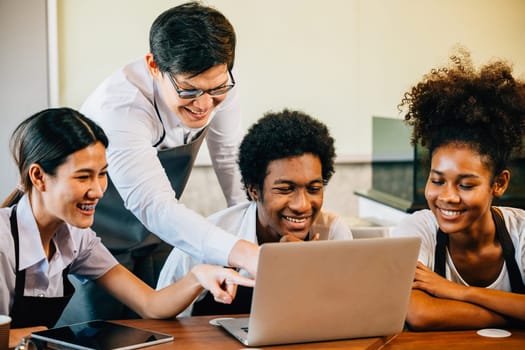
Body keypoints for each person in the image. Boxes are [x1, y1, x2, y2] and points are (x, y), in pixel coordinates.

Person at [60, 2, 259, 322]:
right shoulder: (121, 106)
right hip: (95, 242)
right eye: (189, 90)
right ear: (154, 66)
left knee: (163, 329)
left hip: (157, 237)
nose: (205, 104)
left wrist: (250, 233)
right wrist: (242, 251)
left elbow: (229, 161)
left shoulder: (219, 83)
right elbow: (153, 204)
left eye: (217, 88)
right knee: (98, 331)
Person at [0, 108, 254, 348]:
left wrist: (199, 276)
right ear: (38, 176)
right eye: (83, 176)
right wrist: (33, 334)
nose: (98, 190)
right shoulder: (3, 242)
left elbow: (150, 304)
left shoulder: (77, 240)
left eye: (102, 174)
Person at [157, 109, 353, 316]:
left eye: (314, 189)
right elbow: (160, 323)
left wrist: (308, 266)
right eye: (285, 189)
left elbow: (349, 312)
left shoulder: (332, 233)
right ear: (254, 189)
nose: (302, 205)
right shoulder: (207, 239)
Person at [391, 48, 525, 330]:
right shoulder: (417, 231)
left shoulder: (521, 231)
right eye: (437, 180)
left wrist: (459, 292)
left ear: (498, 183)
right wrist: (515, 312)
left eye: (465, 184)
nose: (448, 197)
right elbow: (419, 314)